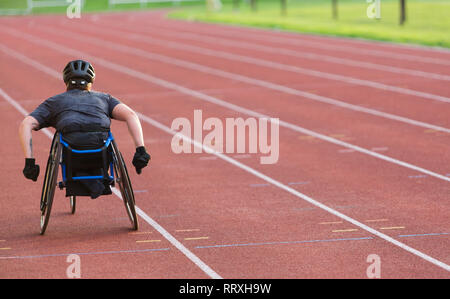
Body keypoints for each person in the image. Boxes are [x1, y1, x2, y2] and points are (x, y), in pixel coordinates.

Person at [19, 59, 150, 198]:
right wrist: (140, 151)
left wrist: (29, 162)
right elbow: (131, 115)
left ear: (66, 80)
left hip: (72, 153)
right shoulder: (105, 98)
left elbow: (26, 124)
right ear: (91, 80)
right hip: (100, 151)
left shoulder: (54, 102)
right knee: (105, 137)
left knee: (65, 136)